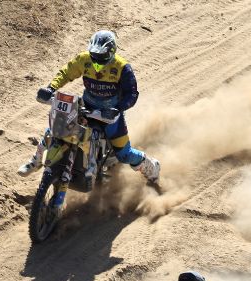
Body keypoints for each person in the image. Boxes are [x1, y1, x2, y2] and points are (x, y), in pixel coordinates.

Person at [18, 30, 160, 183]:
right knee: (55, 130)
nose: (97, 60)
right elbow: (66, 72)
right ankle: (36, 161)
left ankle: (151, 167)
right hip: (86, 105)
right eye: (94, 55)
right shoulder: (84, 59)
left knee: (123, 154)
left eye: (101, 56)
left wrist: (118, 109)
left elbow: (131, 93)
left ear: (112, 52)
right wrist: (50, 88)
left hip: (110, 113)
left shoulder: (122, 67)